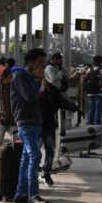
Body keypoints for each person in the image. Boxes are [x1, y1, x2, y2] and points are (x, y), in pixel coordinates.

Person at [11, 48, 49, 203]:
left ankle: (20, 194)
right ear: (31, 62)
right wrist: (38, 79)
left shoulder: (33, 77)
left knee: (26, 158)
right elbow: (29, 96)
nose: (42, 66)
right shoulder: (20, 76)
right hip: (25, 122)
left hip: (35, 121)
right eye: (40, 63)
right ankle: (33, 195)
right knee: (35, 156)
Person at [40, 53, 67, 186]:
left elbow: (60, 103)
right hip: (35, 123)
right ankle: (33, 173)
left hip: (49, 122)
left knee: (50, 148)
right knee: (34, 150)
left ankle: (46, 172)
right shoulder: (31, 88)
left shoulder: (51, 90)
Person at [83, 56, 102, 126]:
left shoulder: (89, 69)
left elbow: (85, 79)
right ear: (101, 61)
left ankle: (90, 122)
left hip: (90, 91)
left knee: (91, 108)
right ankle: (97, 123)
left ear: (94, 61)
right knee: (98, 108)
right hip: (100, 91)